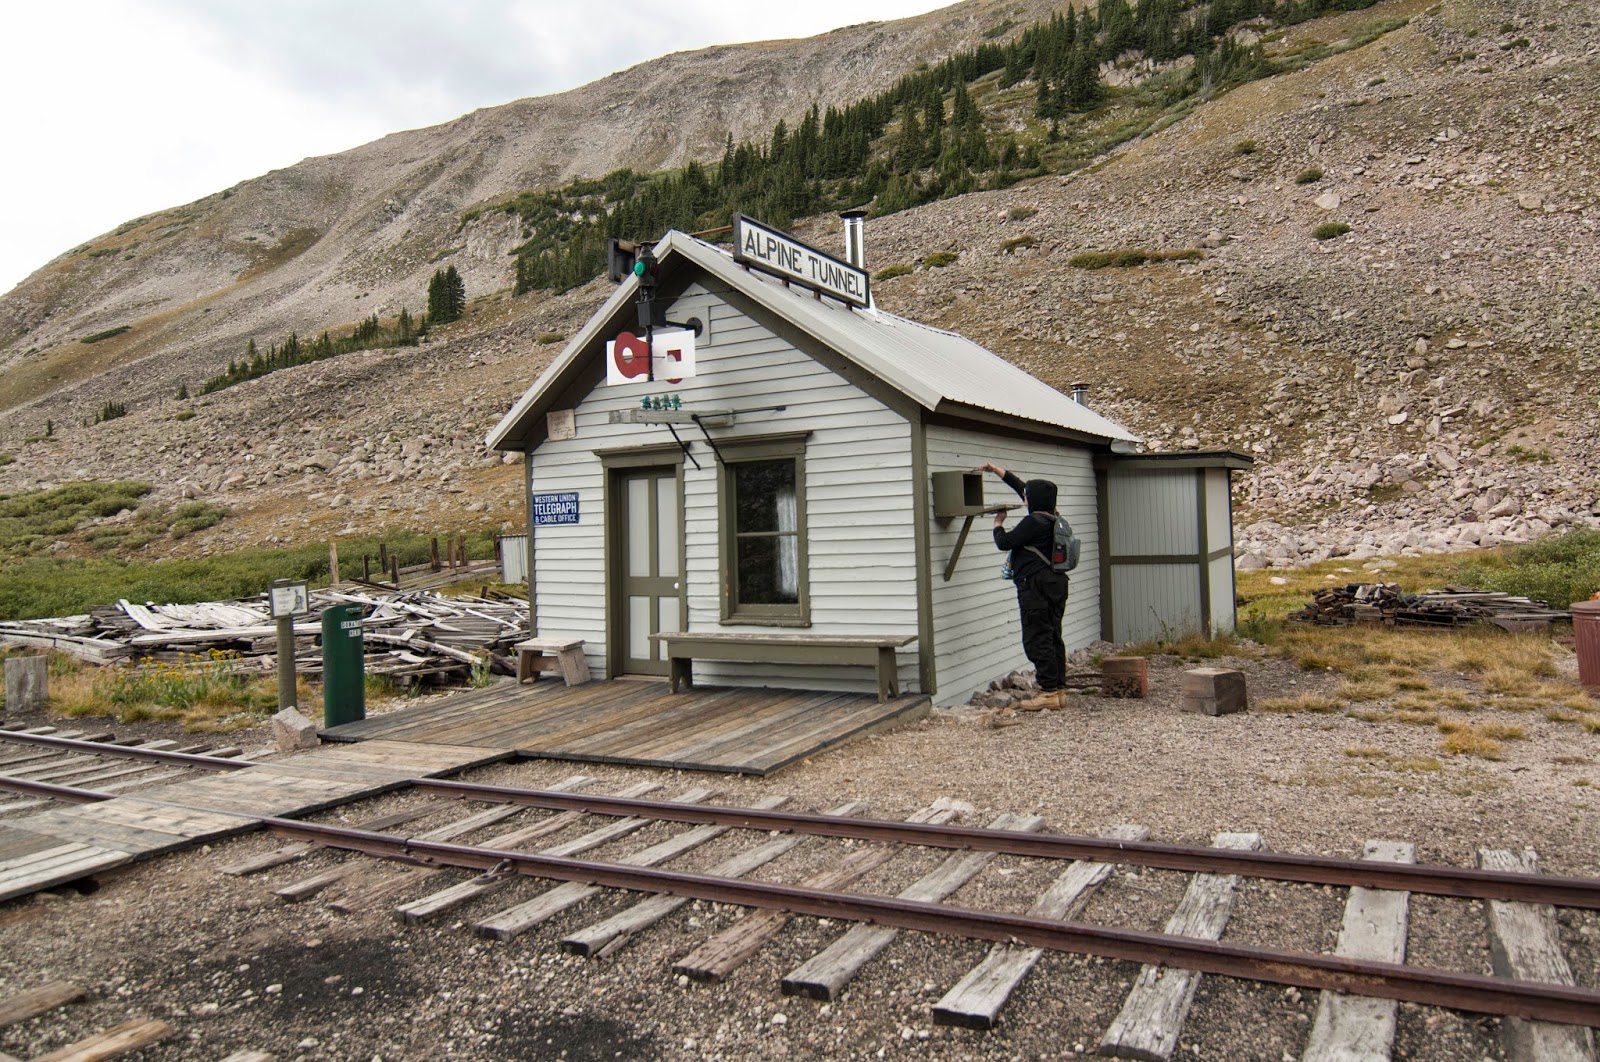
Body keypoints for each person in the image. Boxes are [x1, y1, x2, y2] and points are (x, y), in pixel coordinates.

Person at [980, 462, 1069, 711]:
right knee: (1053, 636)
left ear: (1034, 500)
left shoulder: (1033, 523)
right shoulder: (1054, 518)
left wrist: (997, 525)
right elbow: (1025, 489)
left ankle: (1048, 693)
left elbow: (1006, 543)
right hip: (1057, 584)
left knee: (1037, 637)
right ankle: (1058, 690)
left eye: (1027, 497)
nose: (1025, 498)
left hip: (1035, 587)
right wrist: (998, 471)